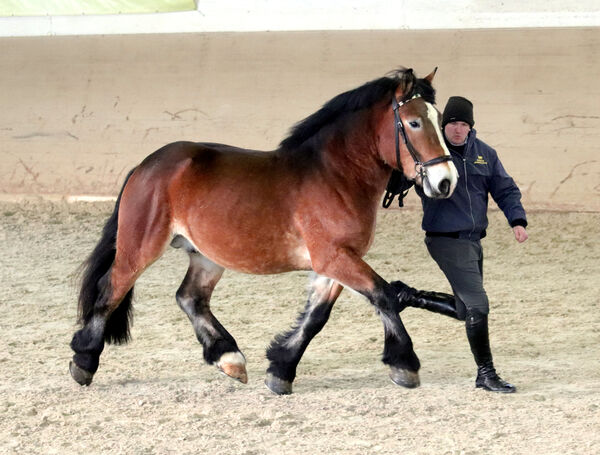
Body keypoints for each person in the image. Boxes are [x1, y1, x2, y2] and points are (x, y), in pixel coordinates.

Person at [392, 95, 528, 393]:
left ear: (470, 127)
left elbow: (505, 189)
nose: (457, 129)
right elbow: (399, 178)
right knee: (479, 306)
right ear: (444, 125)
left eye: (463, 123)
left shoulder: (485, 154)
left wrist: (517, 220)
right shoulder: (429, 151)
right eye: (452, 122)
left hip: (474, 240)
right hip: (446, 239)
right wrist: (406, 176)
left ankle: (407, 296)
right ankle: (486, 373)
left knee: (464, 309)